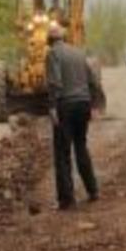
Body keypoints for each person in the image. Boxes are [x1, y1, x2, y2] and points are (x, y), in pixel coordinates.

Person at [45, 25, 103, 210]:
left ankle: (66, 199)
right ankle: (93, 190)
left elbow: (55, 82)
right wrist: (95, 104)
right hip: (83, 104)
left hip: (65, 106)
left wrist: (52, 106)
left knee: (62, 152)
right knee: (81, 146)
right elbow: (93, 79)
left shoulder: (52, 54)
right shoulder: (78, 53)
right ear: (64, 37)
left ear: (49, 40)